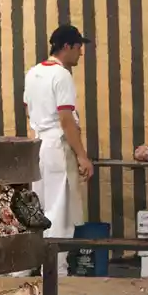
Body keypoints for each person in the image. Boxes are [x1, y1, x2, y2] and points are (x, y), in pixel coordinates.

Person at [23, 24, 92, 270]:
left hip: (38, 144)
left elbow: (28, 109)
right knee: (59, 210)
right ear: (67, 46)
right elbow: (66, 120)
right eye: (78, 47)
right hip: (57, 146)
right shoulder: (62, 75)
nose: (80, 53)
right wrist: (82, 156)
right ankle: (55, 271)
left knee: (38, 208)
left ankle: (25, 266)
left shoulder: (33, 73)